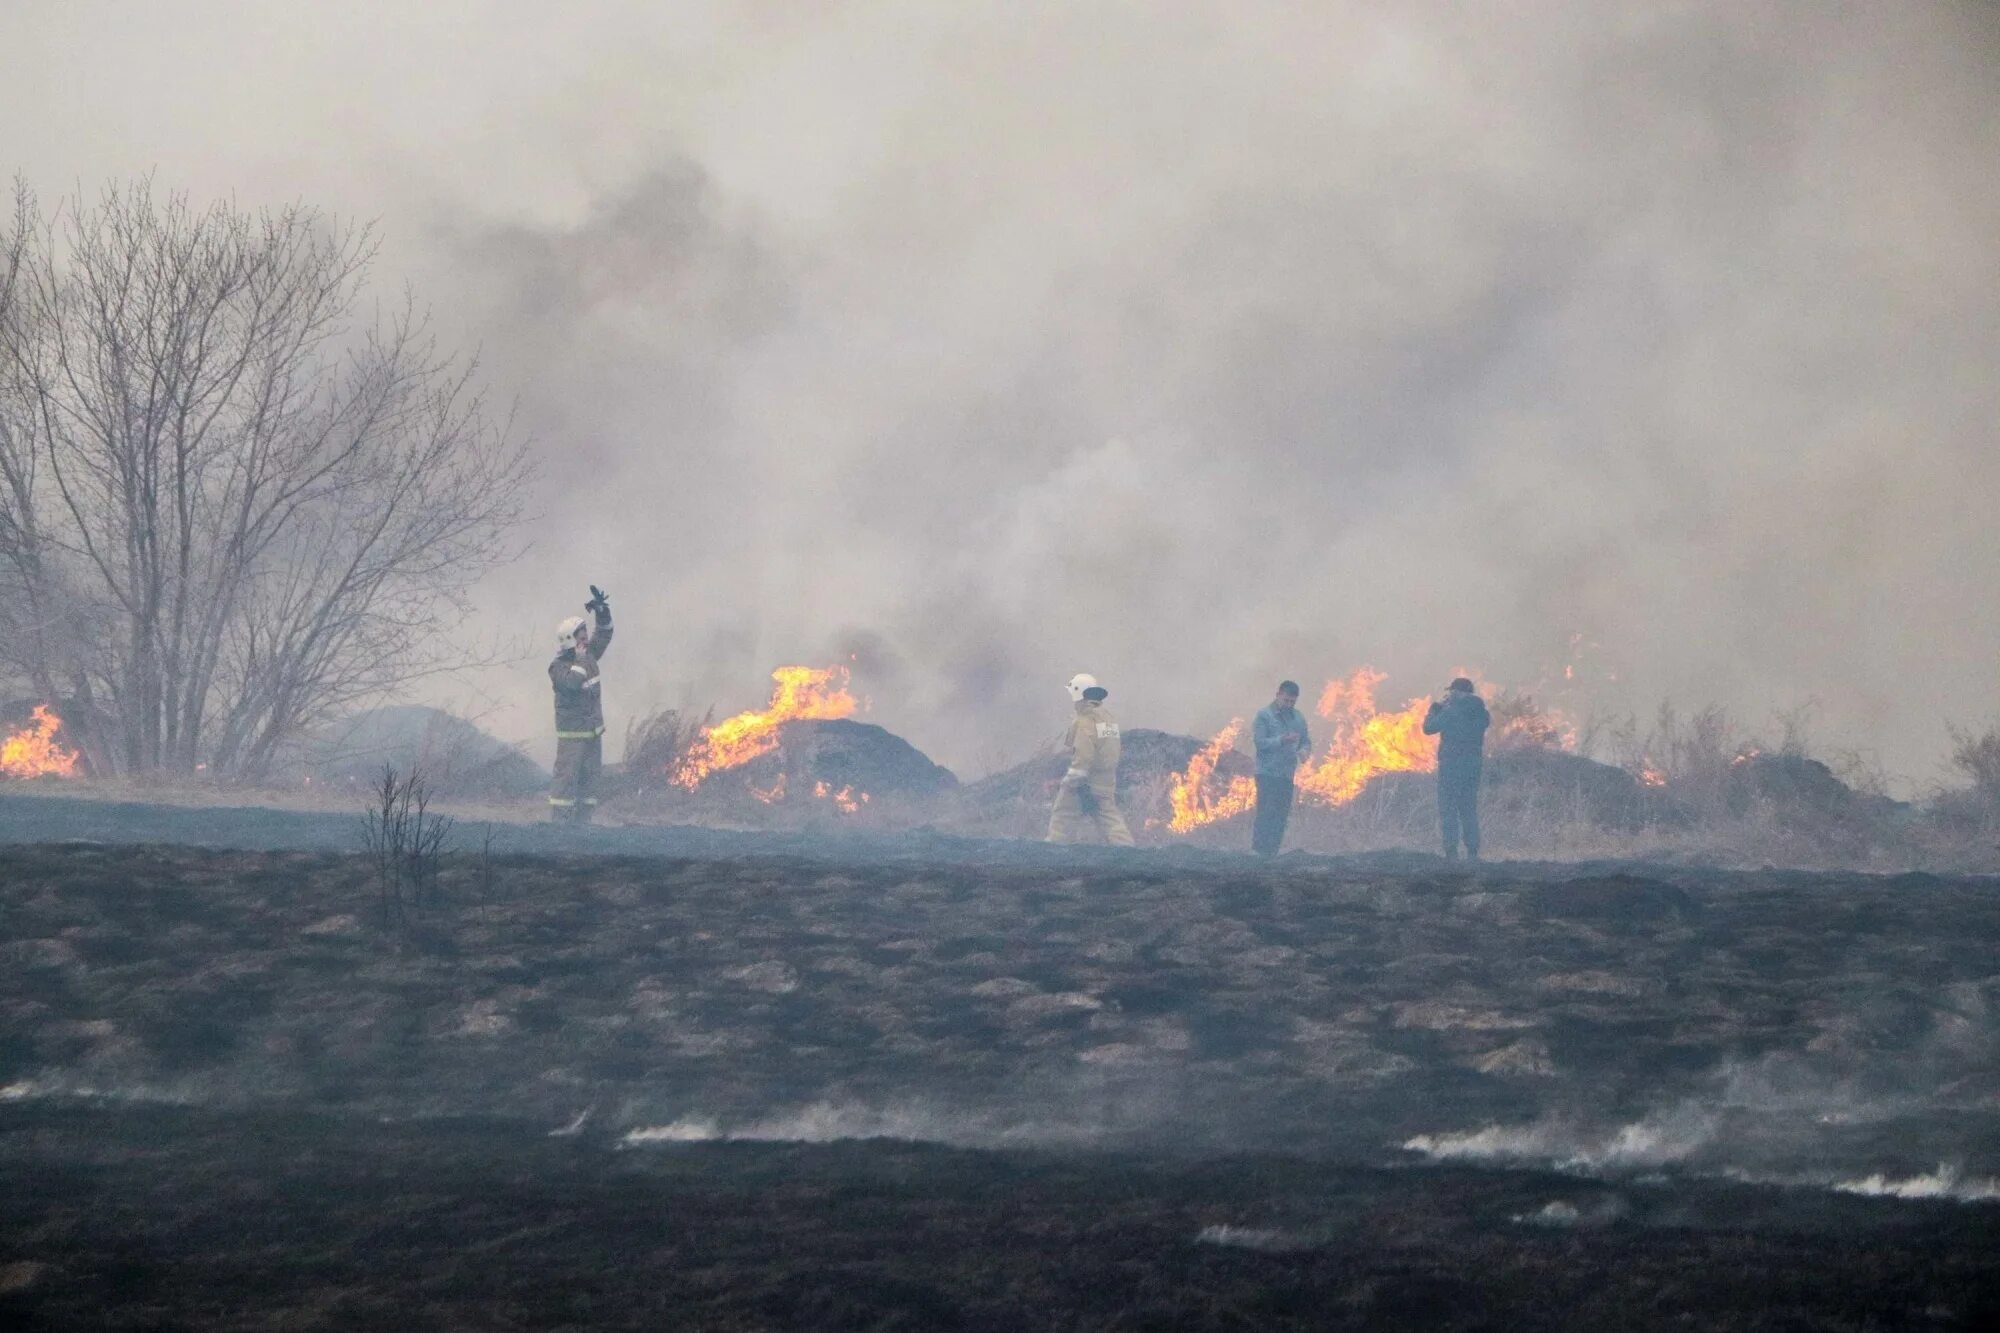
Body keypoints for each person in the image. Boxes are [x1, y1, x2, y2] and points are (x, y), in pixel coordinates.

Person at [548, 585, 613, 823]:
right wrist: (580, 658)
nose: (585, 638)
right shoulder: (558, 667)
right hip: (572, 735)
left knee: (590, 779)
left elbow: (604, 635)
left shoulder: (588, 655)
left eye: (585, 634)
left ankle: (583, 824)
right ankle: (560, 823)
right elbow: (572, 684)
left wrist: (602, 612)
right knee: (566, 779)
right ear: (569, 640)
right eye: (580, 635)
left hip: (592, 734)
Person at [1047, 673, 1135, 846]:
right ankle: (1127, 850)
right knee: (1111, 821)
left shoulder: (1086, 721)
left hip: (1085, 782)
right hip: (1105, 782)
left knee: (1062, 816)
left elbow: (1083, 755)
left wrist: (1070, 782)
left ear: (1078, 694)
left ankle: (1053, 852)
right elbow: (1112, 750)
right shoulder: (1108, 719)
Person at [1422, 676, 1490, 860]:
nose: (1449, 695)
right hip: (1473, 766)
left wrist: (1434, 711)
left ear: (1459, 693)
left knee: (1448, 808)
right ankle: (1472, 852)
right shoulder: (1482, 713)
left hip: (1451, 766)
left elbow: (1428, 729)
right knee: (1468, 808)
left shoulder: (1451, 712)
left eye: (1451, 691)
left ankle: (1451, 852)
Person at [1251, 680, 1311, 855]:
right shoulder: (1264, 715)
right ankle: (1258, 852)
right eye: (1286, 700)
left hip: (1286, 774)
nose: (1288, 705)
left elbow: (1305, 740)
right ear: (1278, 695)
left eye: (1292, 702)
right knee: (1266, 813)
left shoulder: (1298, 718)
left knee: (1281, 816)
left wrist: (1304, 751)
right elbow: (1260, 743)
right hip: (1267, 773)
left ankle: (1273, 852)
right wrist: (1281, 740)